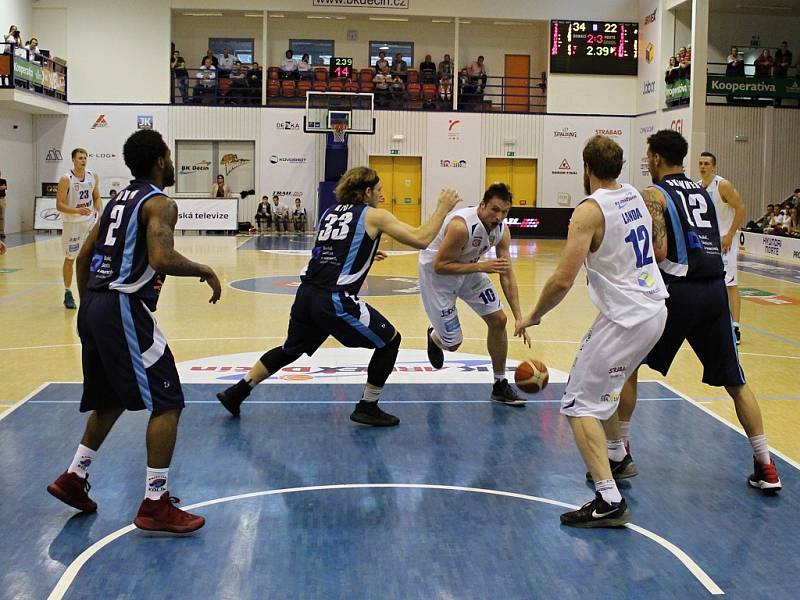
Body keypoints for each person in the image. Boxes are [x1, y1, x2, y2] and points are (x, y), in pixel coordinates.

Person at [46, 128, 222, 533]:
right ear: (160, 160)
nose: (172, 163)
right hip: (122, 305)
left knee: (110, 398)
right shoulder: (160, 202)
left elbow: (87, 253)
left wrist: (89, 304)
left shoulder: (117, 201)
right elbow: (160, 257)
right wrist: (204, 269)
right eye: (170, 156)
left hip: (96, 305)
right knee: (168, 400)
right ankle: (155, 502)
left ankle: (74, 476)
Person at [216, 167, 460, 426]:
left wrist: (364, 253)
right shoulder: (374, 216)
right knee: (390, 341)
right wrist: (443, 207)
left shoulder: (329, 213)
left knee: (291, 349)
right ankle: (368, 405)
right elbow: (421, 238)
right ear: (366, 192)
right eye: (378, 190)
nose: (382, 194)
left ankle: (238, 391)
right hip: (334, 299)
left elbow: (330, 248)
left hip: (306, 295)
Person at [514, 135, 668, 528]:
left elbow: (563, 280)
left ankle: (608, 499)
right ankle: (618, 456)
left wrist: (533, 315)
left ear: (586, 169)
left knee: (577, 404)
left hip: (627, 319)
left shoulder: (589, 211)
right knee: (601, 385)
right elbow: (655, 244)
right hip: (652, 308)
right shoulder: (634, 194)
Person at [617, 129, 781, 493]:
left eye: (648, 155)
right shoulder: (704, 192)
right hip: (715, 291)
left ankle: (620, 452)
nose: (646, 160)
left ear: (657, 158)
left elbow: (658, 252)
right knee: (736, 382)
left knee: (627, 366)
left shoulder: (653, 194)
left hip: (678, 291)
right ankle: (766, 466)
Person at [420, 182, 530, 406]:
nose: (499, 217)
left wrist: (520, 316)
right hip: (438, 277)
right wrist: (480, 267)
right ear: (482, 205)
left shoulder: (501, 230)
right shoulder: (462, 227)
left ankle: (499, 384)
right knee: (453, 344)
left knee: (499, 320)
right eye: (495, 210)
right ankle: (435, 336)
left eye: (505, 212)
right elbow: (440, 266)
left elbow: (506, 273)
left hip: (469, 270)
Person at [698, 152, 746, 344]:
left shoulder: (722, 185)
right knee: (706, 281)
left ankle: (736, 327)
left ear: (713, 167)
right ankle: (710, 323)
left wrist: (730, 235)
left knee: (730, 283)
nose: (703, 166)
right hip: (707, 240)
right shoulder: (697, 186)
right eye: (700, 163)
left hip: (725, 239)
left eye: (707, 163)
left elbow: (741, 207)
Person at [56, 148, 102, 309]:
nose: (83, 160)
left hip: (89, 221)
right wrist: (77, 210)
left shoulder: (92, 176)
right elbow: (59, 205)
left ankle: (92, 290)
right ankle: (68, 292)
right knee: (70, 259)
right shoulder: (66, 179)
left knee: (93, 255)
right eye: (80, 158)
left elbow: (96, 197)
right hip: (72, 223)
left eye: (85, 157)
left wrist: (99, 214)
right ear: (73, 160)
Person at [0, 168, 6, 240]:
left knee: (2, 216)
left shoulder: (3, 180)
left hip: (2, 199)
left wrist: (3, 187)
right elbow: (2, 187)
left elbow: (5, 187)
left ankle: (1, 232)